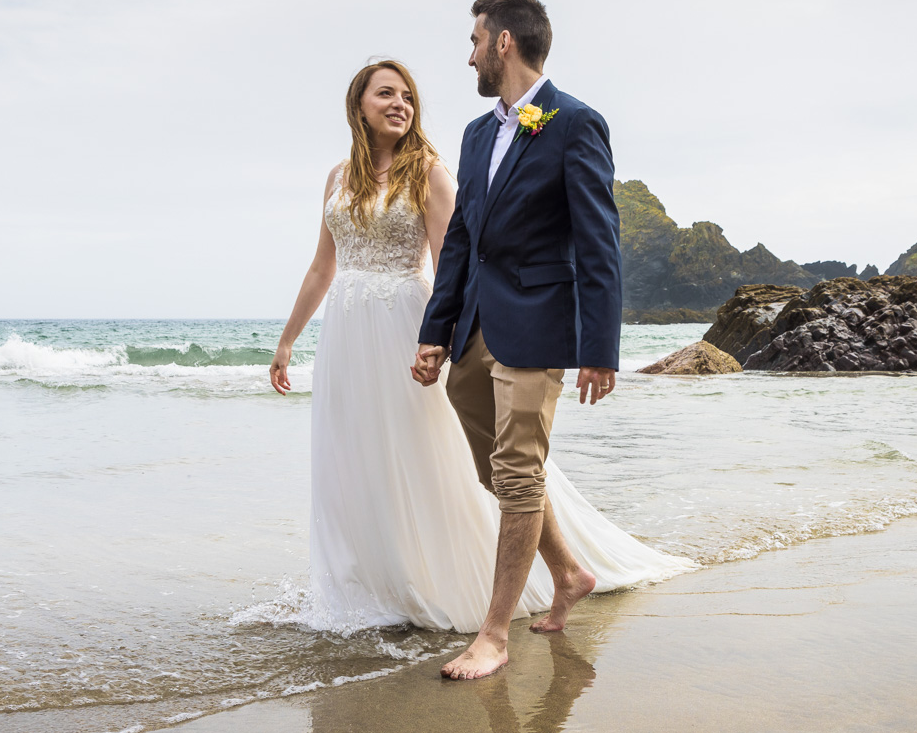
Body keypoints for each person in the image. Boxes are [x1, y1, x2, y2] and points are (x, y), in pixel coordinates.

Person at [268, 51, 686, 643]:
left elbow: (452, 260)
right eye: (386, 94)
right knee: (356, 457)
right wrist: (287, 342)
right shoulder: (338, 178)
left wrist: (442, 337)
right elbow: (321, 267)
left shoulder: (431, 170)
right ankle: (369, 583)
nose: (400, 105)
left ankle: (451, 586)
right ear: (357, 106)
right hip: (346, 337)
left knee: (451, 460)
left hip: (410, 323)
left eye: (407, 96)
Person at [413, 0, 637, 679]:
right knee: (498, 467)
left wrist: (598, 348)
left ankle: (494, 635)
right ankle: (569, 571)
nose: (470, 53)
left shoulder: (575, 123)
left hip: (541, 322)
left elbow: (599, 241)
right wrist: (437, 328)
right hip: (479, 323)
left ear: (504, 42)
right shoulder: (478, 133)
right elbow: (460, 241)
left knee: (516, 473)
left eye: (475, 39)